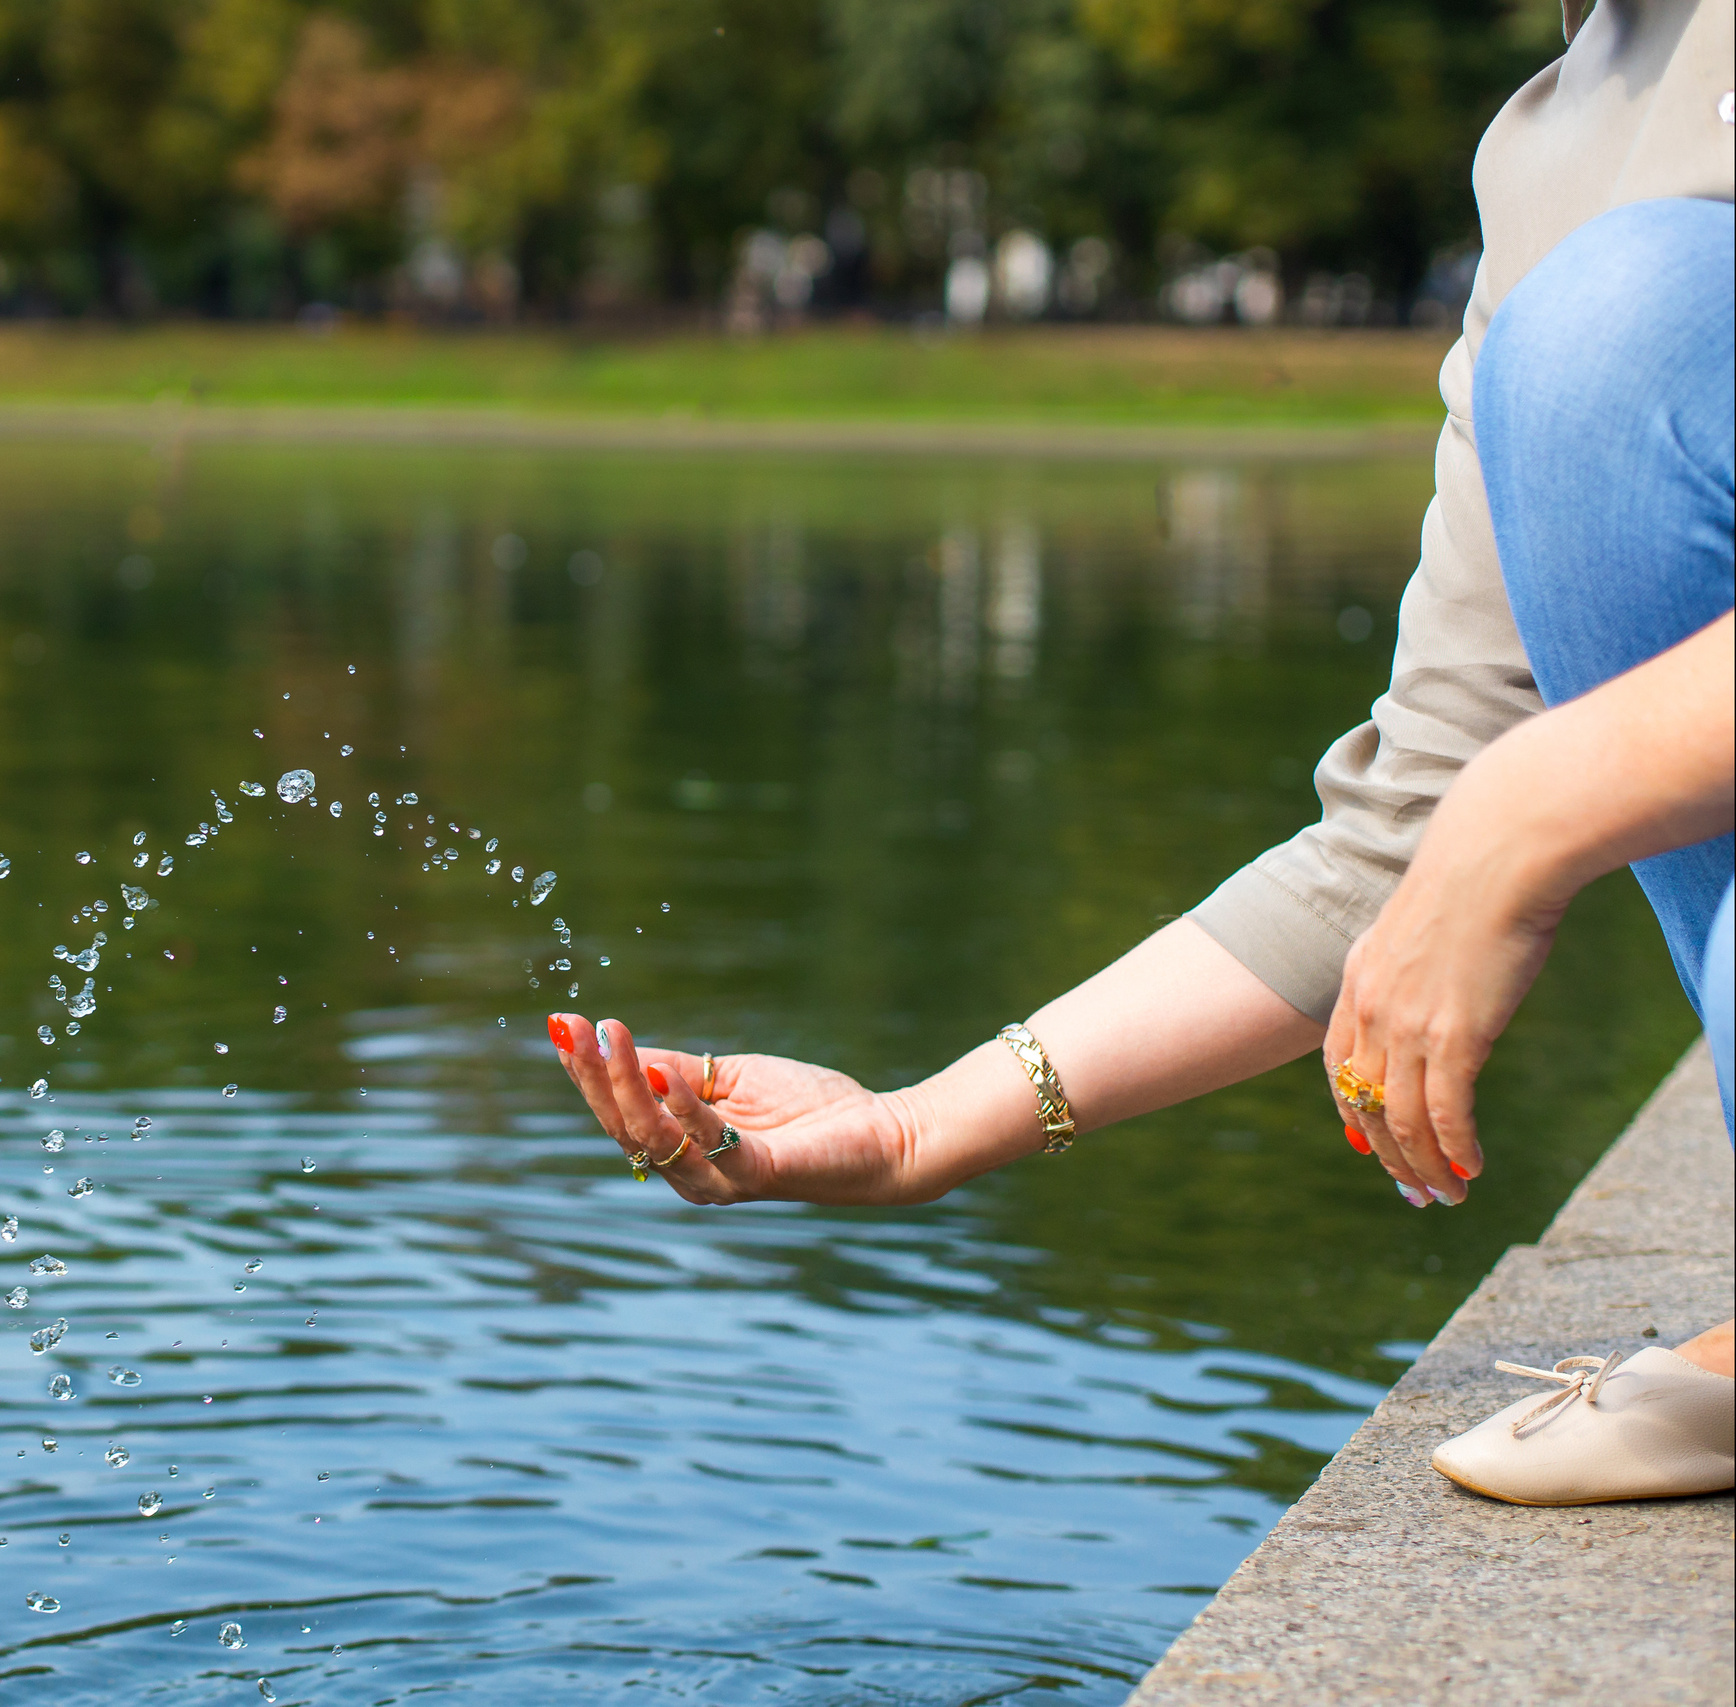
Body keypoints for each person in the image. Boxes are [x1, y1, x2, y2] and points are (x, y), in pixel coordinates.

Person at [549, 0, 1735, 1508]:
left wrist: (1536, 807)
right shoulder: (1561, 141)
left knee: (1622, 326)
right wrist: (924, 1124)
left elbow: (1489, 812)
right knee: (1598, 352)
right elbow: (1406, 829)